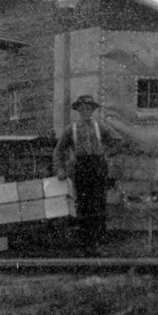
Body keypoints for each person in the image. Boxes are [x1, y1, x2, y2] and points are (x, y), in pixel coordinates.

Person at [53, 94, 122, 251]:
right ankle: (85, 242)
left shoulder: (100, 127)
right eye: (82, 108)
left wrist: (107, 154)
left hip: (98, 167)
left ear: (92, 110)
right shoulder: (71, 129)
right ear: (78, 110)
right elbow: (58, 151)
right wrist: (60, 169)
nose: (86, 111)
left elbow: (117, 142)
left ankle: (98, 240)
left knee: (98, 202)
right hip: (81, 168)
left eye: (89, 108)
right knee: (83, 204)